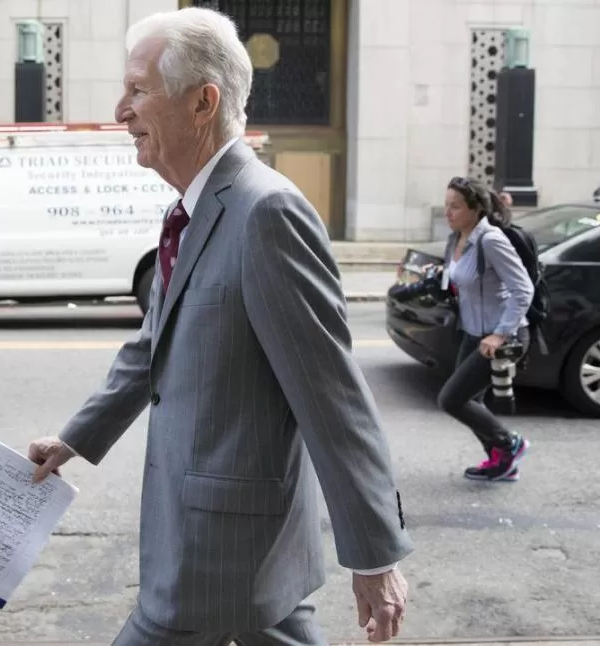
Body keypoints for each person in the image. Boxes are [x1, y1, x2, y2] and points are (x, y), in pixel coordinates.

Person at [27, 8, 413, 645]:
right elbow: (154, 344)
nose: (120, 109)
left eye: (138, 89)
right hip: (240, 540)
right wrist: (76, 438)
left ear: (202, 102)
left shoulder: (267, 214)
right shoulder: (194, 208)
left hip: (216, 547)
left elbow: (333, 399)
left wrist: (374, 555)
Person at [437, 176, 533, 482]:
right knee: (471, 400)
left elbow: (523, 289)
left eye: (456, 207)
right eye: (446, 205)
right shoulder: (456, 238)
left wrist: (501, 333)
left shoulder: (490, 240)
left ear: (475, 209)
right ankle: (502, 462)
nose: (448, 213)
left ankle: (508, 443)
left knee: (451, 399)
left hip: (499, 335)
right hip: (473, 331)